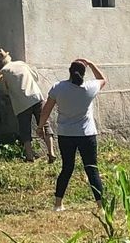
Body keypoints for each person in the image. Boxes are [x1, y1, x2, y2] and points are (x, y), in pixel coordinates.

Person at [39, 57, 107, 210]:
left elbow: (46, 110)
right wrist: (91, 64)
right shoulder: (90, 87)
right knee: (91, 168)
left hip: (66, 134)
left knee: (67, 168)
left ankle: (58, 204)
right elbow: (102, 79)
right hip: (87, 134)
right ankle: (100, 206)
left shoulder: (58, 87)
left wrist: (40, 126)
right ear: (84, 73)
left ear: (69, 72)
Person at [0, 47, 49, 162]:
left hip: (21, 103)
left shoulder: (3, 72)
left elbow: (5, 91)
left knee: (25, 130)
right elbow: (35, 77)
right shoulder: (21, 64)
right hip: (36, 96)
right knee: (45, 124)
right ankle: (51, 152)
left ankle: (29, 156)